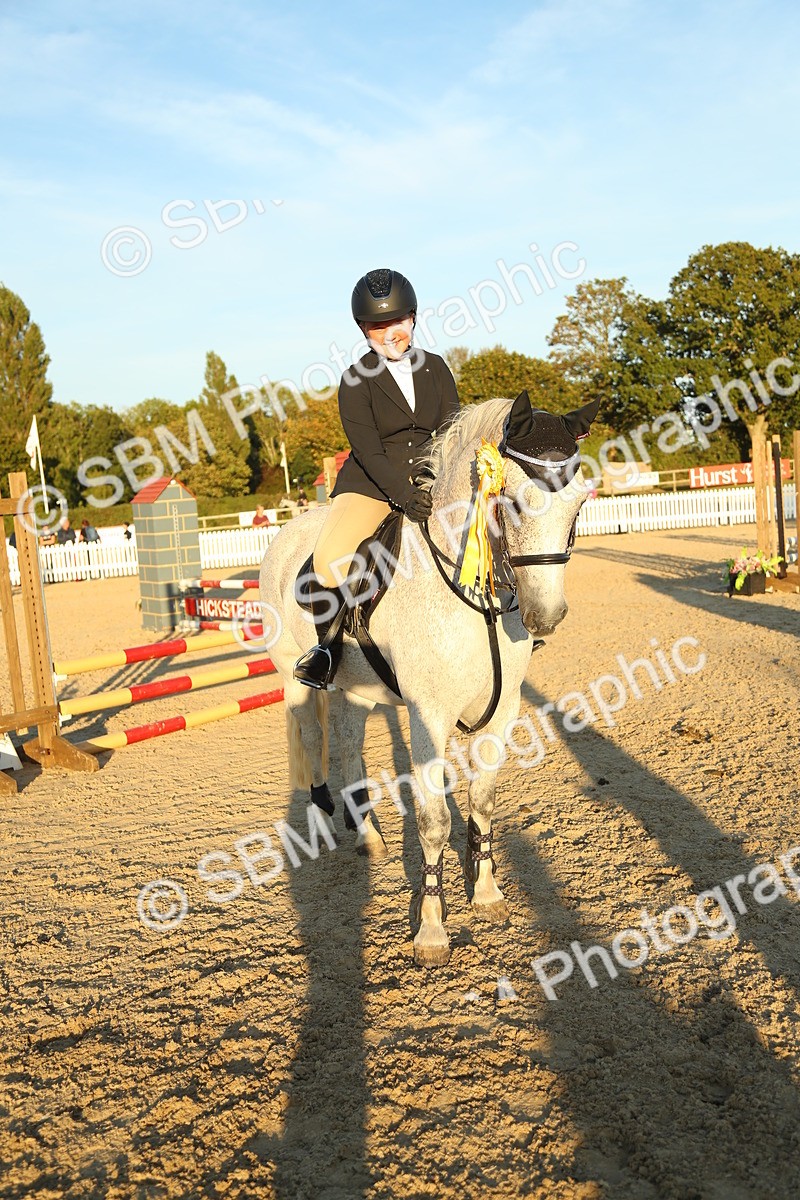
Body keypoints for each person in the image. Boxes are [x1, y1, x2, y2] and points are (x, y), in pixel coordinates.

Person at [293, 268, 460, 690]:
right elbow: (368, 451)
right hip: (371, 484)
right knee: (330, 560)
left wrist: (435, 481)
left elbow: (451, 431)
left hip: (432, 478)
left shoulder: (437, 368)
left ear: (413, 317)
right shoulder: (355, 381)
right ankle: (327, 650)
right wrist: (403, 494)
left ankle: (509, 613)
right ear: (363, 329)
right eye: (377, 325)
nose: (389, 333)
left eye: (397, 321)